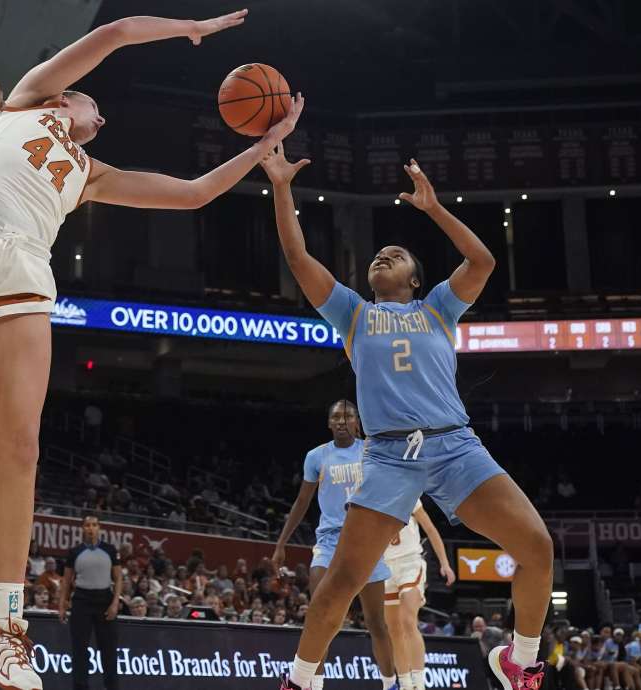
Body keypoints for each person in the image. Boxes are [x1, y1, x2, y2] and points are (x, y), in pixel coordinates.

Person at [0, 10, 303, 690]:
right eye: (93, 102)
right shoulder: (31, 97)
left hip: (28, 266)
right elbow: (115, 33)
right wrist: (191, 30)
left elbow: (192, 195)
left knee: (23, 448)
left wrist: (266, 141)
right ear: (67, 100)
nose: (102, 112)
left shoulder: (92, 173)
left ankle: (3, 629)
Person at [264, 145, 553, 690]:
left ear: (416, 279)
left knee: (537, 546)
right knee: (342, 582)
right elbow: (298, 257)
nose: (382, 258)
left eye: (394, 255)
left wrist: (434, 209)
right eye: (377, 256)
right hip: (392, 457)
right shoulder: (354, 313)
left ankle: (522, 660)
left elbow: (484, 261)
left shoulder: (439, 308)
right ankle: (300, 681)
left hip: (457, 448)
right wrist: (281, 187)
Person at [272, 400, 398, 690]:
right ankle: (313, 684)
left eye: (348, 416)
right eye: (336, 417)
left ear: (357, 421)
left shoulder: (371, 450)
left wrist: (392, 522)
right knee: (320, 616)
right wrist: (281, 544)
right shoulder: (316, 457)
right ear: (329, 423)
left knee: (376, 622)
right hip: (329, 542)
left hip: (367, 540)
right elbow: (301, 502)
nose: (342, 421)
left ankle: (391, 684)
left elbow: (391, 487)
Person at [383, 500, 456, 690]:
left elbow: (430, 529)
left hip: (410, 563)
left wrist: (444, 563)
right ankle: (406, 685)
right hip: (384, 567)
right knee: (394, 631)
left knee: (408, 621)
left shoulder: (410, 493)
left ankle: (419, 684)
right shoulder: (370, 492)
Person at [58, 515, 121, 690]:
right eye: (87, 525)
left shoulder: (110, 550)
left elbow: (118, 578)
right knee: (79, 650)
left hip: (104, 601)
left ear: (99, 528)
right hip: (81, 601)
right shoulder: (75, 552)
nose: (91, 528)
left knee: (108, 650)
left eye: (94, 525)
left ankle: (112, 687)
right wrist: (62, 604)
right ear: (82, 528)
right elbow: (67, 580)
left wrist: (115, 603)